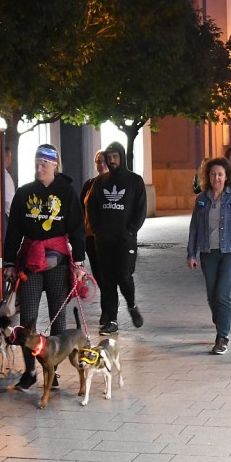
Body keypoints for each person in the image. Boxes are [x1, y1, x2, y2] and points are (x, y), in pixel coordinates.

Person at [4, 143, 87, 392]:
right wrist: (9, 262)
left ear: (54, 165)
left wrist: (79, 263)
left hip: (57, 261)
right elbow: (14, 230)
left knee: (57, 317)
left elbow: (77, 229)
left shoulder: (67, 192)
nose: (39, 169)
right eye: (37, 164)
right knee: (27, 319)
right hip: (30, 262)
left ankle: (54, 371)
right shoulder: (24, 193)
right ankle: (30, 372)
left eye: (44, 164)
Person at [187, 157, 231, 354]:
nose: (216, 178)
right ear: (207, 176)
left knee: (223, 293)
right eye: (213, 174)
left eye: (220, 174)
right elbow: (194, 228)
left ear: (227, 177)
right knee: (212, 295)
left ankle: (222, 337)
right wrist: (191, 254)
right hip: (208, 252)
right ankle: (221, 319)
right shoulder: (202, 199)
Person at [87, 142, 147, 335]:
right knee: (107, 280)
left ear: (122, 157)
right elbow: (92, 206)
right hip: (104, 241)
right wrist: (97, 229)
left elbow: (141, 209)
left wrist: (131, 230)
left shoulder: (135, 181)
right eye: (109, 157)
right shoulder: (100, 182)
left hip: (125, 241)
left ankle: (132, 305)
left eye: (115, 156)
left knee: (124, 276)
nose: (112, 160)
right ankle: (111, 319)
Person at [81, 150, 109, 290]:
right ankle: (107, 301)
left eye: (104, 161)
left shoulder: (115, 185)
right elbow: (80, 210)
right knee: (98, 275)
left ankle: (109, 301)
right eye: (98, 162)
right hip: (90, 237)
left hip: (108, 238)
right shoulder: (89, 184)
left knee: (109, 276)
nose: (101, 165)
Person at [2, 145, 16, 234]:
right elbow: (9, 202)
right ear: (6, 158)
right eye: (10, 157)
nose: (10, 160)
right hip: (4, 218)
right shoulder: (5, 177)